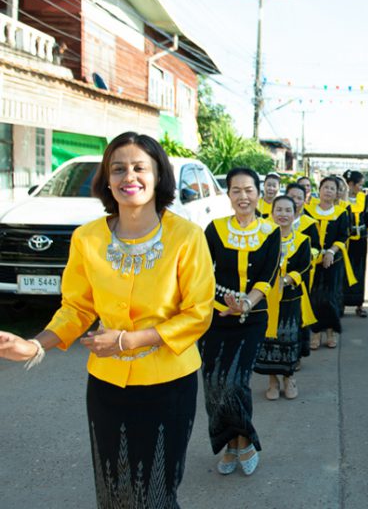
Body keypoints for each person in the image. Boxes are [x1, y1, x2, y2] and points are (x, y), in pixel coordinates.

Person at [0, 132, 214, 508]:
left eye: (138, 167)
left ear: (158, 175)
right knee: (113, 489)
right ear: (107, 179)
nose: (128, 177)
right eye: (118, 169)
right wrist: (35, 344)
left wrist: (130, 341)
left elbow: (198, 313)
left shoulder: (187, 237)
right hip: (107, 386)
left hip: (168, 384)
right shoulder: (87, 238)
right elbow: (77, 308)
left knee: (156, 492)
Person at [200, 167, 281, 475]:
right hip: (217, 317)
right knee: (213, 384)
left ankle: (245, 440)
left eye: (249, 190)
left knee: (235, 382)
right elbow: (203, 271)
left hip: (252, 318)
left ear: (259, 193)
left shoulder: (270, 231)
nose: (243, 196)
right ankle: (231, 443)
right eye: (236, 190)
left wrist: (246, 302)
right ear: (228, 194)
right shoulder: (215, 229)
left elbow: (269, 275)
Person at [253, 195, 314, 401]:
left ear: (295, 213)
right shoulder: (262, 239)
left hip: (290, 300)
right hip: (265, 300)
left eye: (288, 210)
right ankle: (272, 380)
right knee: (268, 339)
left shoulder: (302, 240)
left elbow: (305, 267)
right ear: (272, 213)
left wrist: (286, 280)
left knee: (289, 339)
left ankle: (289, 378)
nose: (283, 214)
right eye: (278, 210)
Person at [305, 176, 354, 349]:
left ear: (336, 193)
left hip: (334, 261)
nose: (328, 191)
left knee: (330, 297)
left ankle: (330, 332)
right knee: (314, 297)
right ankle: (316, 333)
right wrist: (317, 254)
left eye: (332, 188)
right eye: (325, 187)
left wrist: (331, 252)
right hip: (312, 261)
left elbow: (343, 236)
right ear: (319, 190)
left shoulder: (341, 213)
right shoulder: (308, 211)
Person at [285, 183, 321, 365]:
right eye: (292, 196)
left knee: (298, 314)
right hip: (276, 277)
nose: (296, 201)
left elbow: (317, 248)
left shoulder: (309, 223)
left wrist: (307, 257)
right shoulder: (272, 221)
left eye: (299, 198)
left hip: (301, 275)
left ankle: (297, 354)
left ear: (305, 200)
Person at [342, 170, 368, 317]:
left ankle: (359, 305)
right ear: (351, 184)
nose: (361, 188)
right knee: (343, 273)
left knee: (360, 271)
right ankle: (341, 304)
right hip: (345, 243)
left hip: (361, 241)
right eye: (360, 185)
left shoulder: (364, 198)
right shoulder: (341, 199)